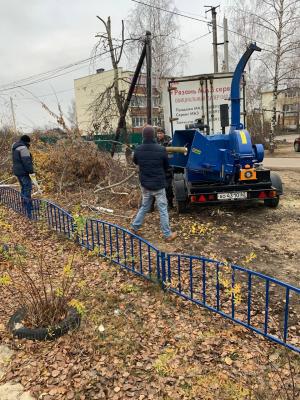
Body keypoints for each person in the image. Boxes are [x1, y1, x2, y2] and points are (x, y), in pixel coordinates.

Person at [131, 125, 177, 241]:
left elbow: (136, 161)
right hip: (158, 185)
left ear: (143, 136)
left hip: (145, 184)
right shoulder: (161, 149)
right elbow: (167, 166)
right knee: (162, 208)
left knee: (145, 206)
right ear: (153, 135)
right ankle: (167, 235)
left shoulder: (138, 149)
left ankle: (134, 227)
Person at [12, 134, 34, 218]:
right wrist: (31, 171)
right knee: (27, 188)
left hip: (17, 171)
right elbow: (27, 161)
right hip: (24, 172)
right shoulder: (23, 148)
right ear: (27, 141)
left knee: (23, 188)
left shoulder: (15, 147)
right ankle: (28, 208)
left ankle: (25, 205)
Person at [156, 127, 174, 208]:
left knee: (168, 187)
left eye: (160, 133)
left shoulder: (169, 141)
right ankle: (151, 206)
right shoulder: (155, 141)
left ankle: (170, 203)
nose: (159, 135)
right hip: (157, 168)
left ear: (164, 133)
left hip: (167, 168)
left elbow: (171, 154)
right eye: (158, 133)